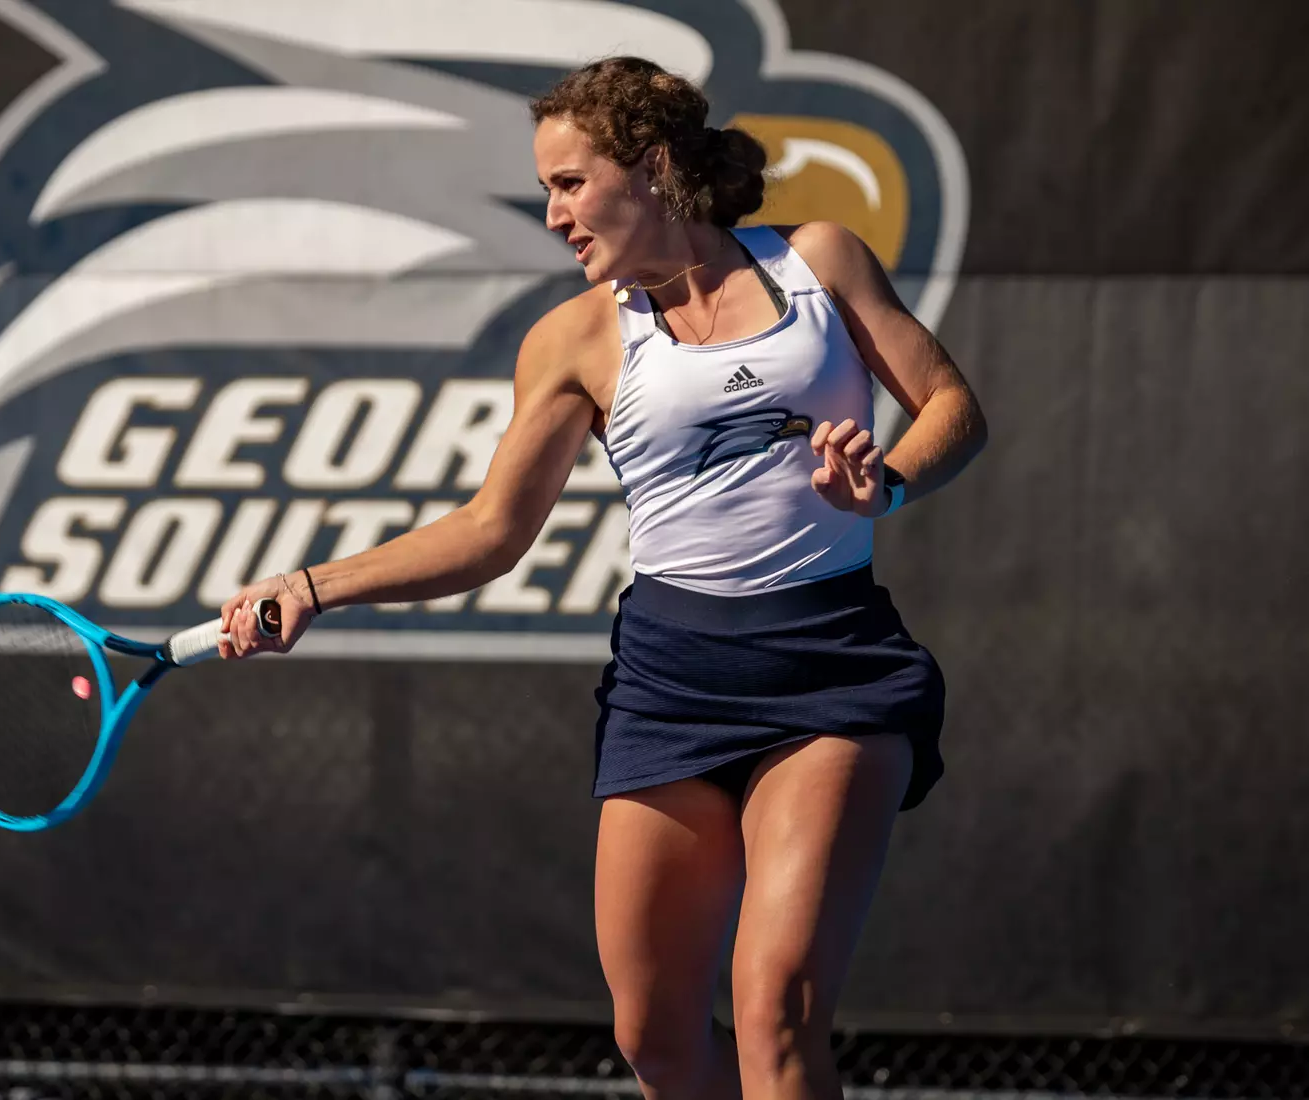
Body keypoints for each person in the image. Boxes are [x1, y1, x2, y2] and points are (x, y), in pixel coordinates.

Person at [218, 56, 988, 1100]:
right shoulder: (576, 337)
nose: (552, 214)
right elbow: (493, 528)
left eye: (569, 183)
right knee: (655, 1039)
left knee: (779, 1003)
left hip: (830, 671)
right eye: (546, 190)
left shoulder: (820, 262)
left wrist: (884, 485)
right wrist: (315, 584)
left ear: (654, 168)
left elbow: (950, 406)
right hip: (672, 685)